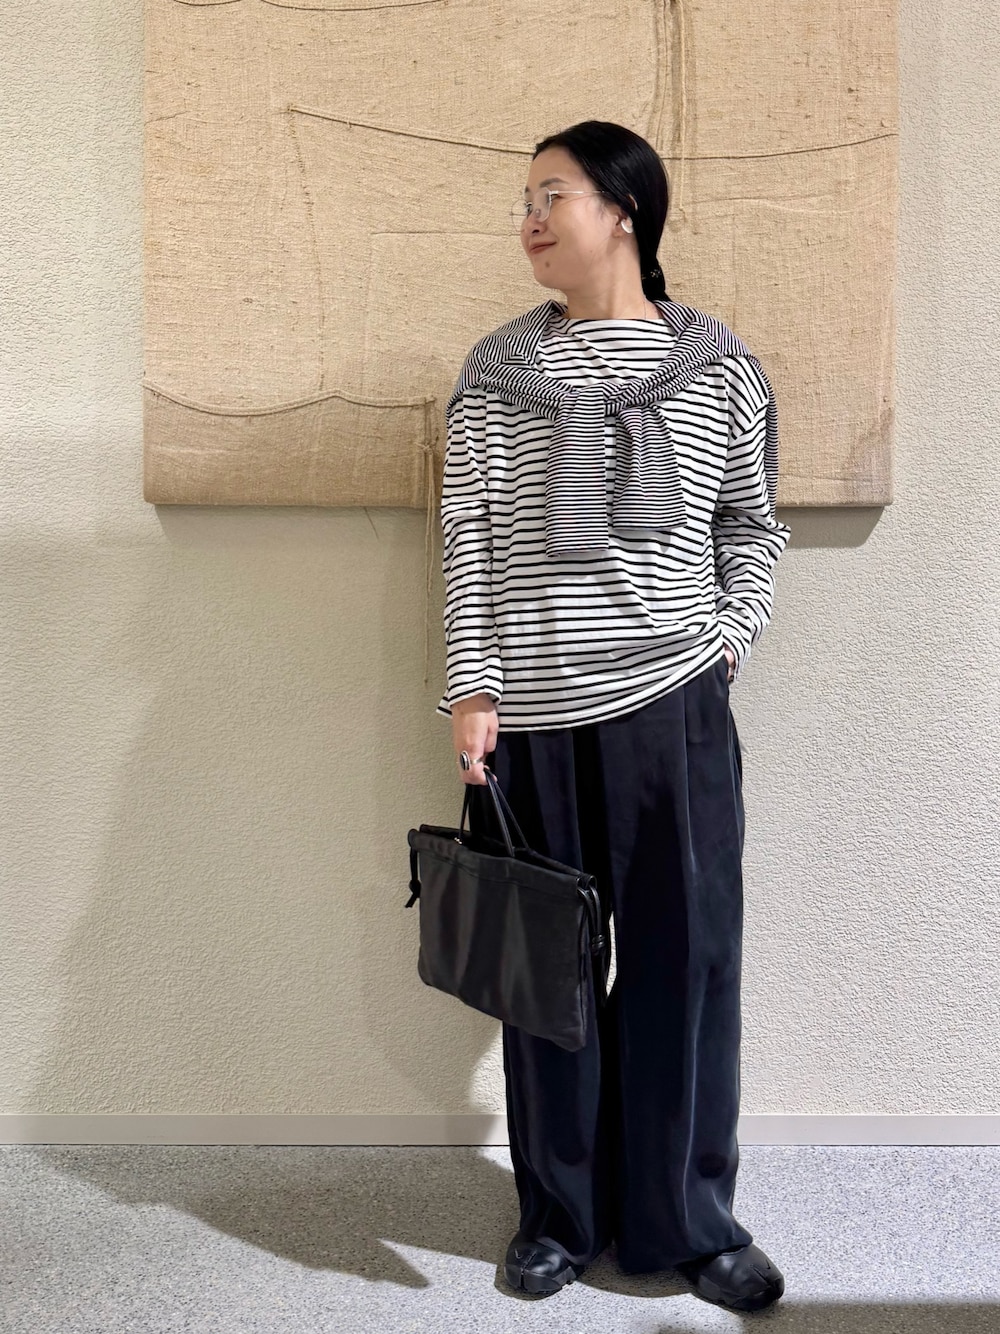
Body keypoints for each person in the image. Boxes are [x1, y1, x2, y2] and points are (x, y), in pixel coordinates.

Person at [435, 120, 790, 1313]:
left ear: (624, 209)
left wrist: (727, 639)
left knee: (688, 967)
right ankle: (558, 1215)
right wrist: (472, 685)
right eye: (524, 199)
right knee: (547, 977)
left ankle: (690, 1218)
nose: (529, 218)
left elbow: (752, 524)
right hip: (532, 715)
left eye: (553, 194)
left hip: (674, 705)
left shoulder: (718, 366)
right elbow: (469, 540)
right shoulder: (496, 376)